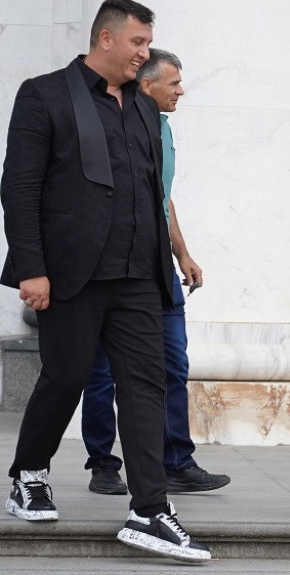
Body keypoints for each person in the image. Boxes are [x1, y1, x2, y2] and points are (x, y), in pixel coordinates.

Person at [1, 0, 210, 562]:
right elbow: (19, 188)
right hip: (72, 272)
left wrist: (169, 260)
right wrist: (32, 268)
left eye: (148, 43)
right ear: (106, 39)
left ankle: (150, 510)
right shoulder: (45, 94)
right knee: (66, 377)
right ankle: (29, 474)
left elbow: (151, 190)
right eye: (138, 42)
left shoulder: (143, 106)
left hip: (138, 273)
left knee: (144, 384)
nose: (145, 53)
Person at [80, 48, 230, 496]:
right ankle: (103, 463)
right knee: (102, 370)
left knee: (173, 363)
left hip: (157, 263)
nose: (182, 90)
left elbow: (162, 196)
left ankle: (176, 462)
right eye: (174, 83)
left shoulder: (162, 127)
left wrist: (182, 253)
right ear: (146, 85)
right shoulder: (112, 124)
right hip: (110, 266)